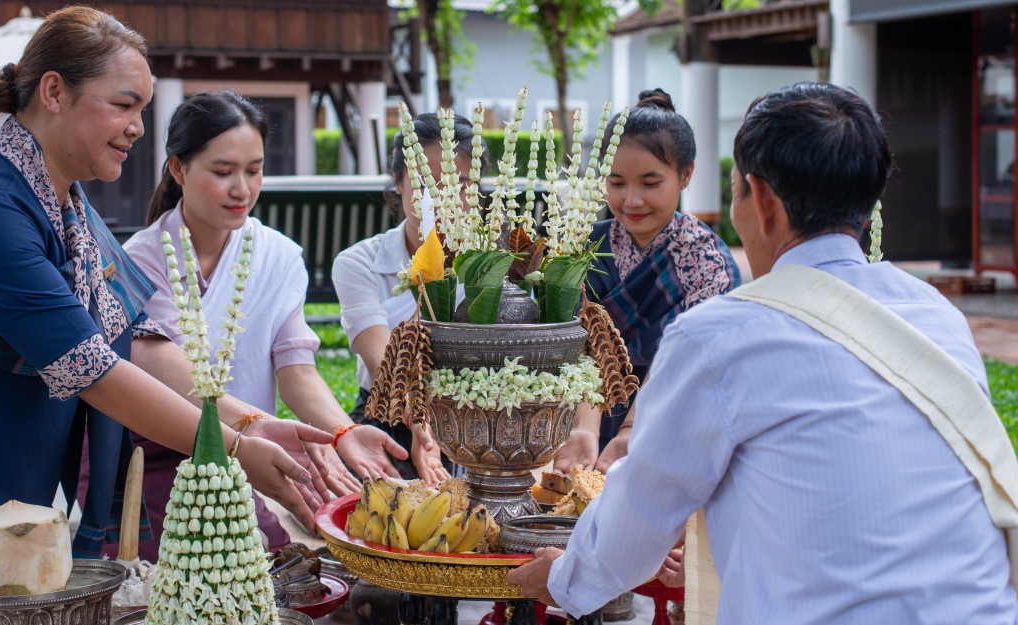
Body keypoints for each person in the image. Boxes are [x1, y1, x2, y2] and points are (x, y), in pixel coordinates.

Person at [0, 6, 329, 625]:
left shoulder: (70, 208)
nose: (138, 128)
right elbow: (94, 370)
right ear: (54, 92)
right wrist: (235, 449)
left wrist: (255, 422)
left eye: (142, 109)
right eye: (123, 105)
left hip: (4, 502)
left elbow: (133, 342)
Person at [510, 82, 1018, 624]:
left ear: (762, 200)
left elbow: (639, 513)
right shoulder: (938, 316)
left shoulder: (722, 335)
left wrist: (564, 578)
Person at [121, 90, 408, 559]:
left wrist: (342, 432)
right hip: (160, 453)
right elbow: (165, 369)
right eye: (223, 172)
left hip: (252, 452)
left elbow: (297, 370)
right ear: (178, 169)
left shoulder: (277, 254)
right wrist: (257, 426)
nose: (242, 189)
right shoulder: (142, 259)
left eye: (253, 171)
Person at [556, 90, 739, 474]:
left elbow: (685, 357)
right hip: (589, 416)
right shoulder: (585, 247)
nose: (632, 200)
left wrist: (632, 429)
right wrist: (585, 428)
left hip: (676, 418)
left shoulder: (706, 261)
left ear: (685, 174)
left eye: (650, 183)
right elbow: (585, 345)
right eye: (617, 183)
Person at [332, 113, 486, 482]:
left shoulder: (496, 266)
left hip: (483, 419)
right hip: (392, 416)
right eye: (423, 184)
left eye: (458, 185)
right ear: (398, 183)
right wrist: (419, 422)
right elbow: (382, 362)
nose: (441, 200)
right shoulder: (360, 263)